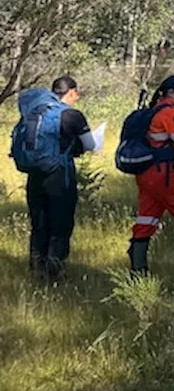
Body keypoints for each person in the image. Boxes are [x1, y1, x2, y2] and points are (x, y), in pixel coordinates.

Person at [14, 77, 98, 282]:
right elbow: (90, 145)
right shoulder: (72, 115)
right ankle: (55, 273)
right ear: (70, 92)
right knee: (60, 225)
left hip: (35, 175)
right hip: (60, 176)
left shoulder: (34, 113)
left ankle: (36, 270)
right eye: (76, 93)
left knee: (39, 223)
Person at [129, 76, 174, 277]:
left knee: (147, 218)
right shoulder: (171, 114)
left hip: (147, 174)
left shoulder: (153, 110)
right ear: (171, 92)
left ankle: (138, 270)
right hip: (167, 175)